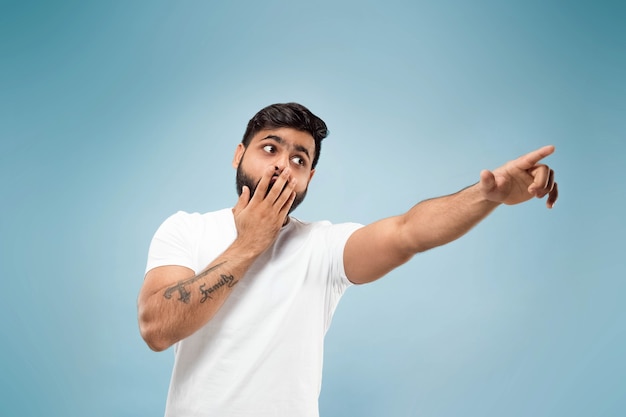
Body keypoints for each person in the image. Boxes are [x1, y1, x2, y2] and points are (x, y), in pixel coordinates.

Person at [137, 102, 558, 417]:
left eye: (299, 159)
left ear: (310, 179)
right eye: (270, 149)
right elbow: (156, 328)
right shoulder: (186, 230)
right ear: (238, 155)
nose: (283, 166)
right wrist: (250, 243)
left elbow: (408, 232)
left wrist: (487, 196)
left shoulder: (322, 247)